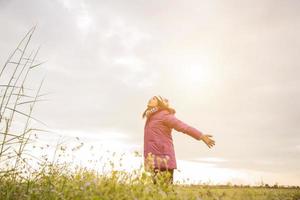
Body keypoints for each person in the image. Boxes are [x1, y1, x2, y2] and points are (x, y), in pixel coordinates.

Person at [142, 95, 215, 185]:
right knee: (156, 194)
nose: (150, 99)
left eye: (154, 98)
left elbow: (183, 126)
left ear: (159, 103)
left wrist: (201, 136)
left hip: (164, 160)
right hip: (154, 161)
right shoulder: (151, 118)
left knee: (165, 193)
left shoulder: (164, 115)